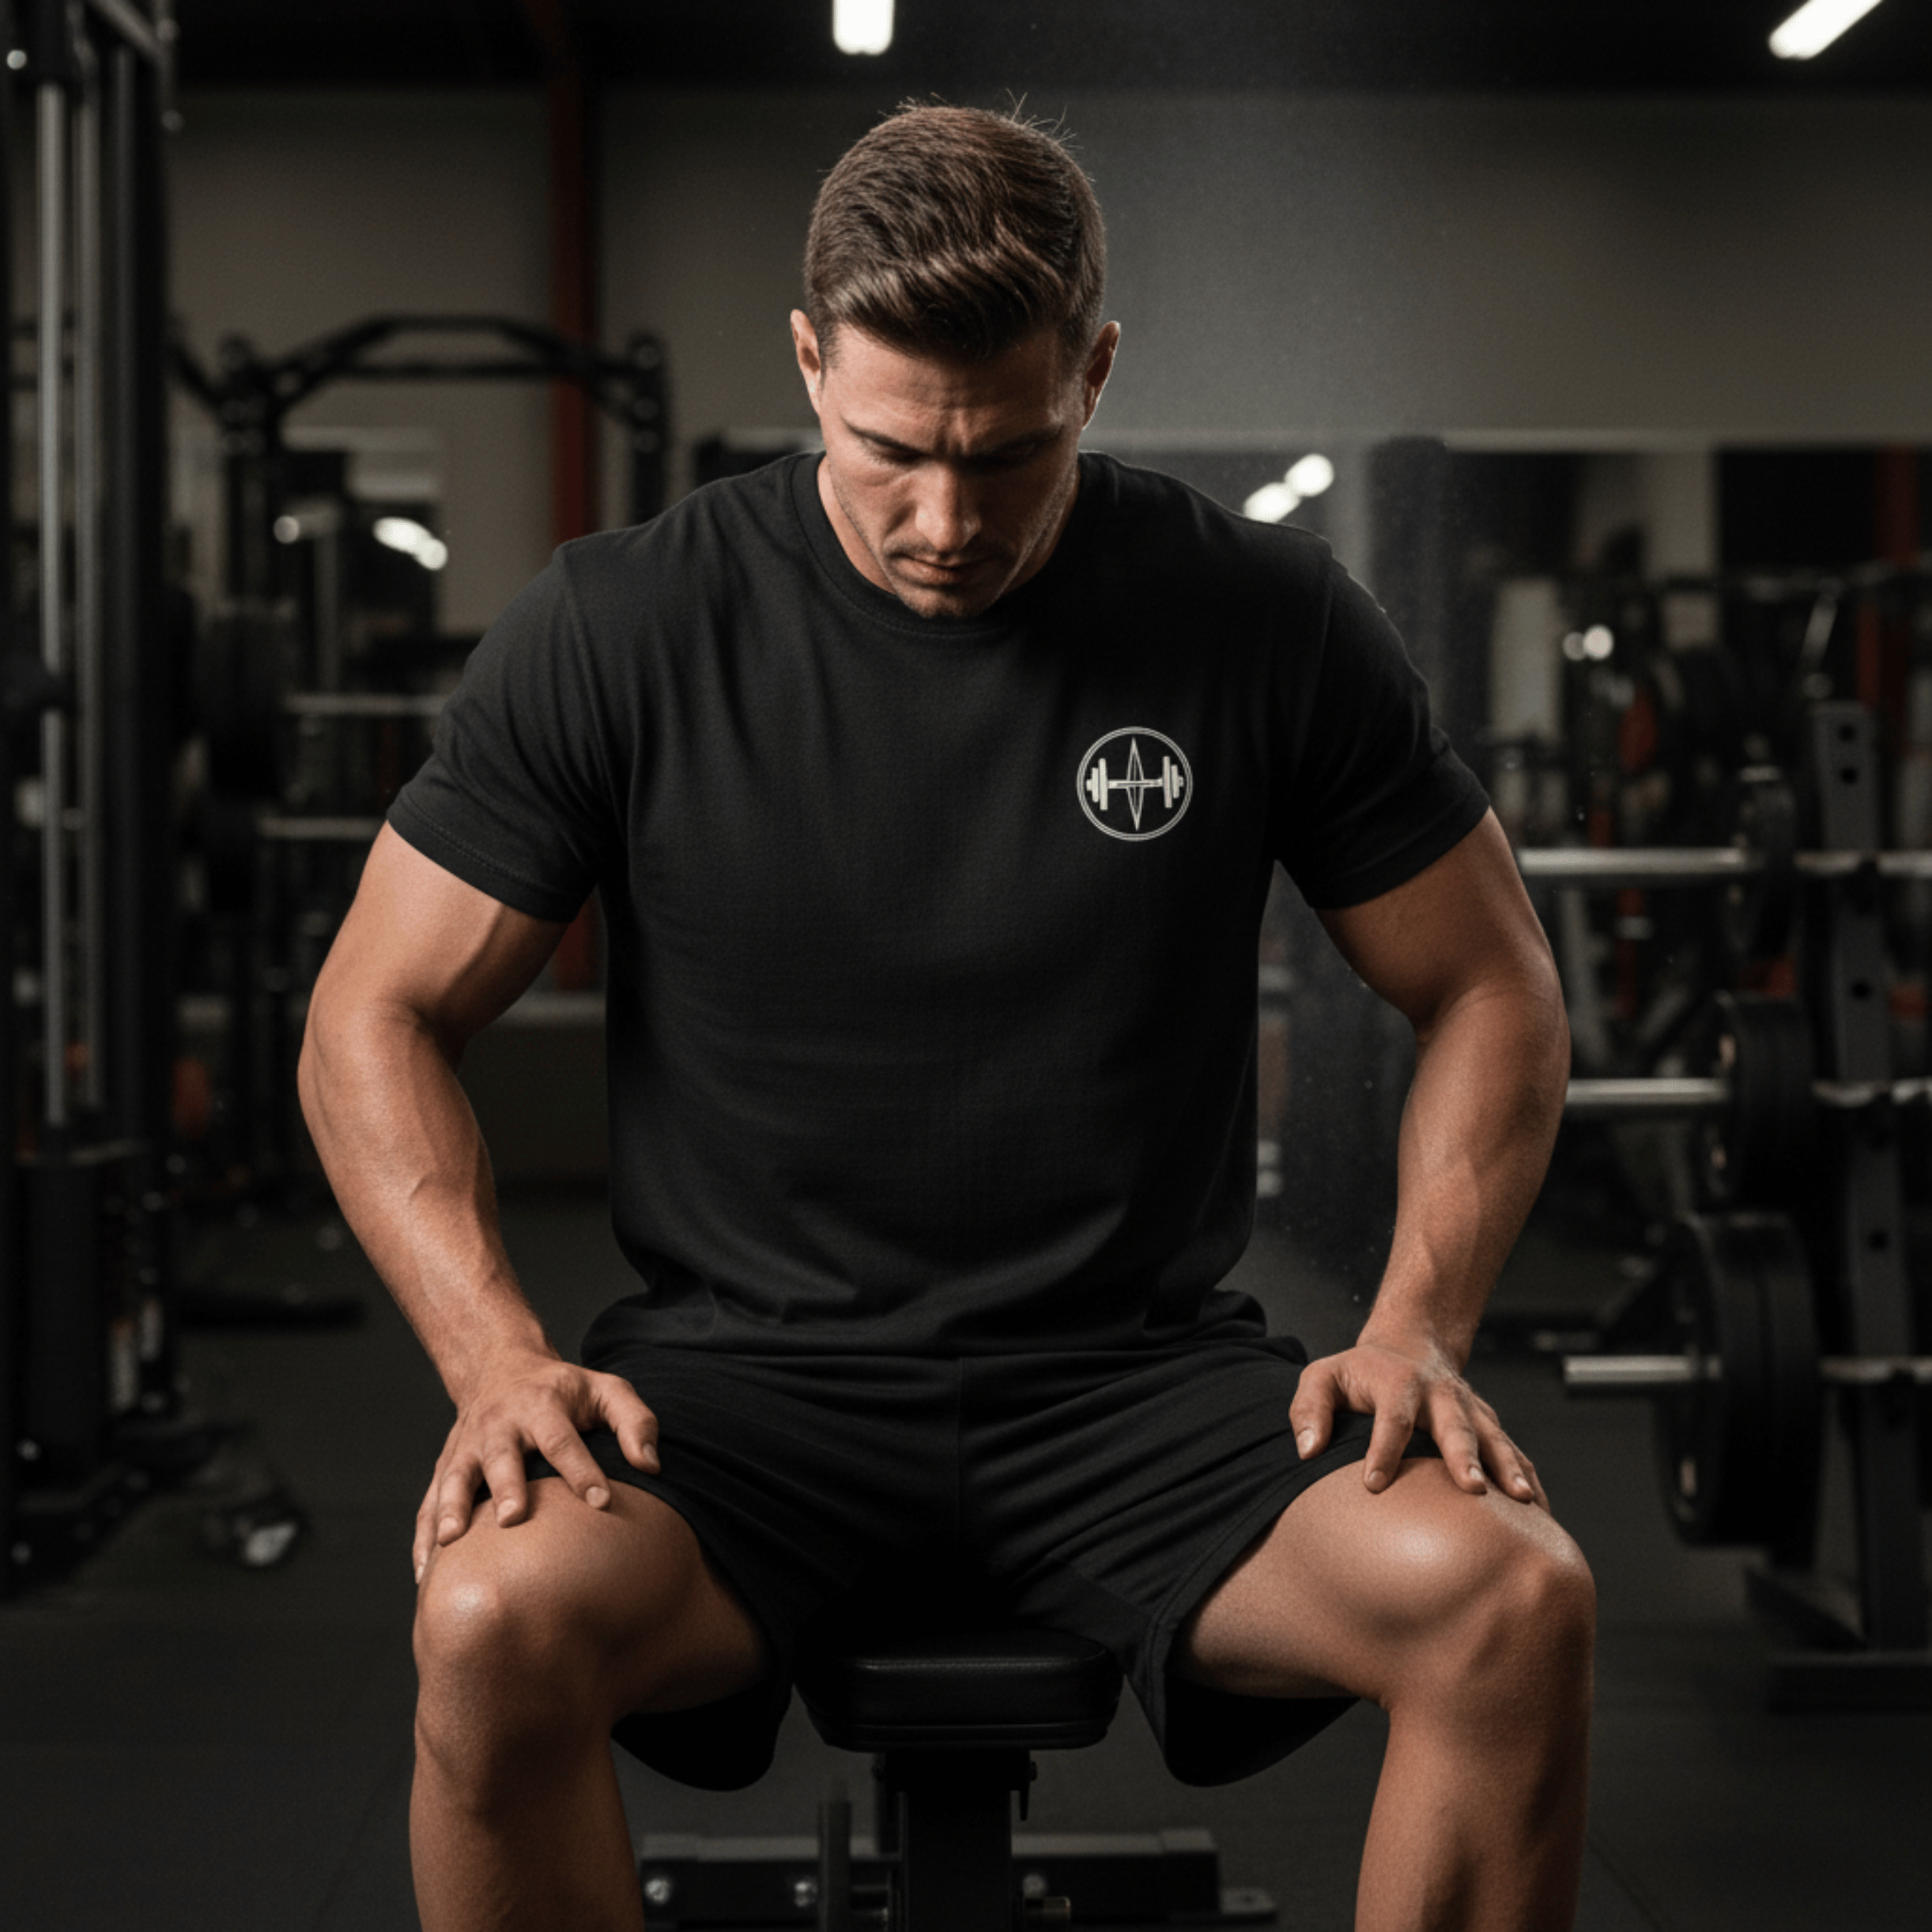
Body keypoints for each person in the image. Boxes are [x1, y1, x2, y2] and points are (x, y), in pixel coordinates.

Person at [299, 103, 1591, 1932]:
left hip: (1134, 1385)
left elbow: (1491, 980)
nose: (947, 520)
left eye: (1015, 454)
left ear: (1099, 368)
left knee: (1509, 1601)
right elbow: (372, 1010)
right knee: (492, 1620)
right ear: (810, 359)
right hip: (742, 1392)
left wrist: (1418, 1326)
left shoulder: (1257, 615)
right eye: (892, 449)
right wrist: (494, 1361)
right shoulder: (621, 626)